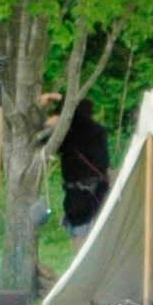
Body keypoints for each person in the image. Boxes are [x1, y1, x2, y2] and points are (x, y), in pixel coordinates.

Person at [55, 94, 113, 240]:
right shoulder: (98, 132)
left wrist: (58, 101)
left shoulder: (73, 134)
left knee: (81, 234)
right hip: (97, 190)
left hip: (81, 196)